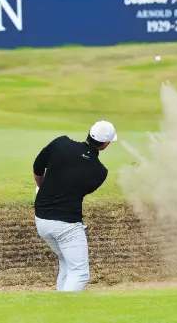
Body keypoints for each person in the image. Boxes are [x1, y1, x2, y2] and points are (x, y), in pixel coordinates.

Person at [32, 120, 117, 292]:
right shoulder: (100, 172)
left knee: (66, 261)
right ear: (105, 144)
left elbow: (38, 166)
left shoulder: (60, 143)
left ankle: (59, 304)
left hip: (41, 220)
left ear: (89, 132)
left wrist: (41, 185)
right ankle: (63, 312)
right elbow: (79, 188)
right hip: (67, 226)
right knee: (80, 273)